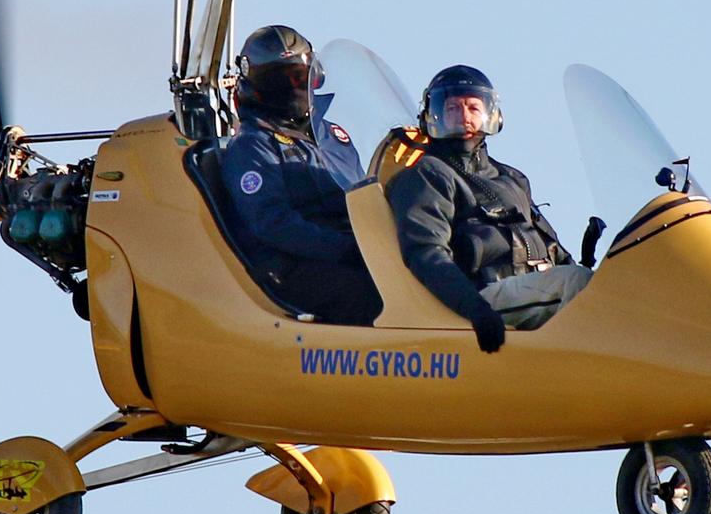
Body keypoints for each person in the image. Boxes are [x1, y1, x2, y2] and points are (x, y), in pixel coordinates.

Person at [386, 64, 590, 352]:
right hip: (483, 298)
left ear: (489, 114)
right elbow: (425, 253)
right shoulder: (429, 174)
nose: (465, 117)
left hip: (533, 288)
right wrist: (476, 309)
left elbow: (553, 248)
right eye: (454, 108)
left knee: (605, 288)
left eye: (473, 107)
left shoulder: (512, 179)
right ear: (434, 116)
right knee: (577, 283)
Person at [220, 25, 382, 325]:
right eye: (277, 81)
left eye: (298, 76)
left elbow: (364, 195)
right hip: (290, 269)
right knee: (370, 295)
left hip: (350, 252)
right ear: (255, 87)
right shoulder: (253, 146)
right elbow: (272, 223)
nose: (292, 87)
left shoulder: (332, 136)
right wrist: (346, 249)